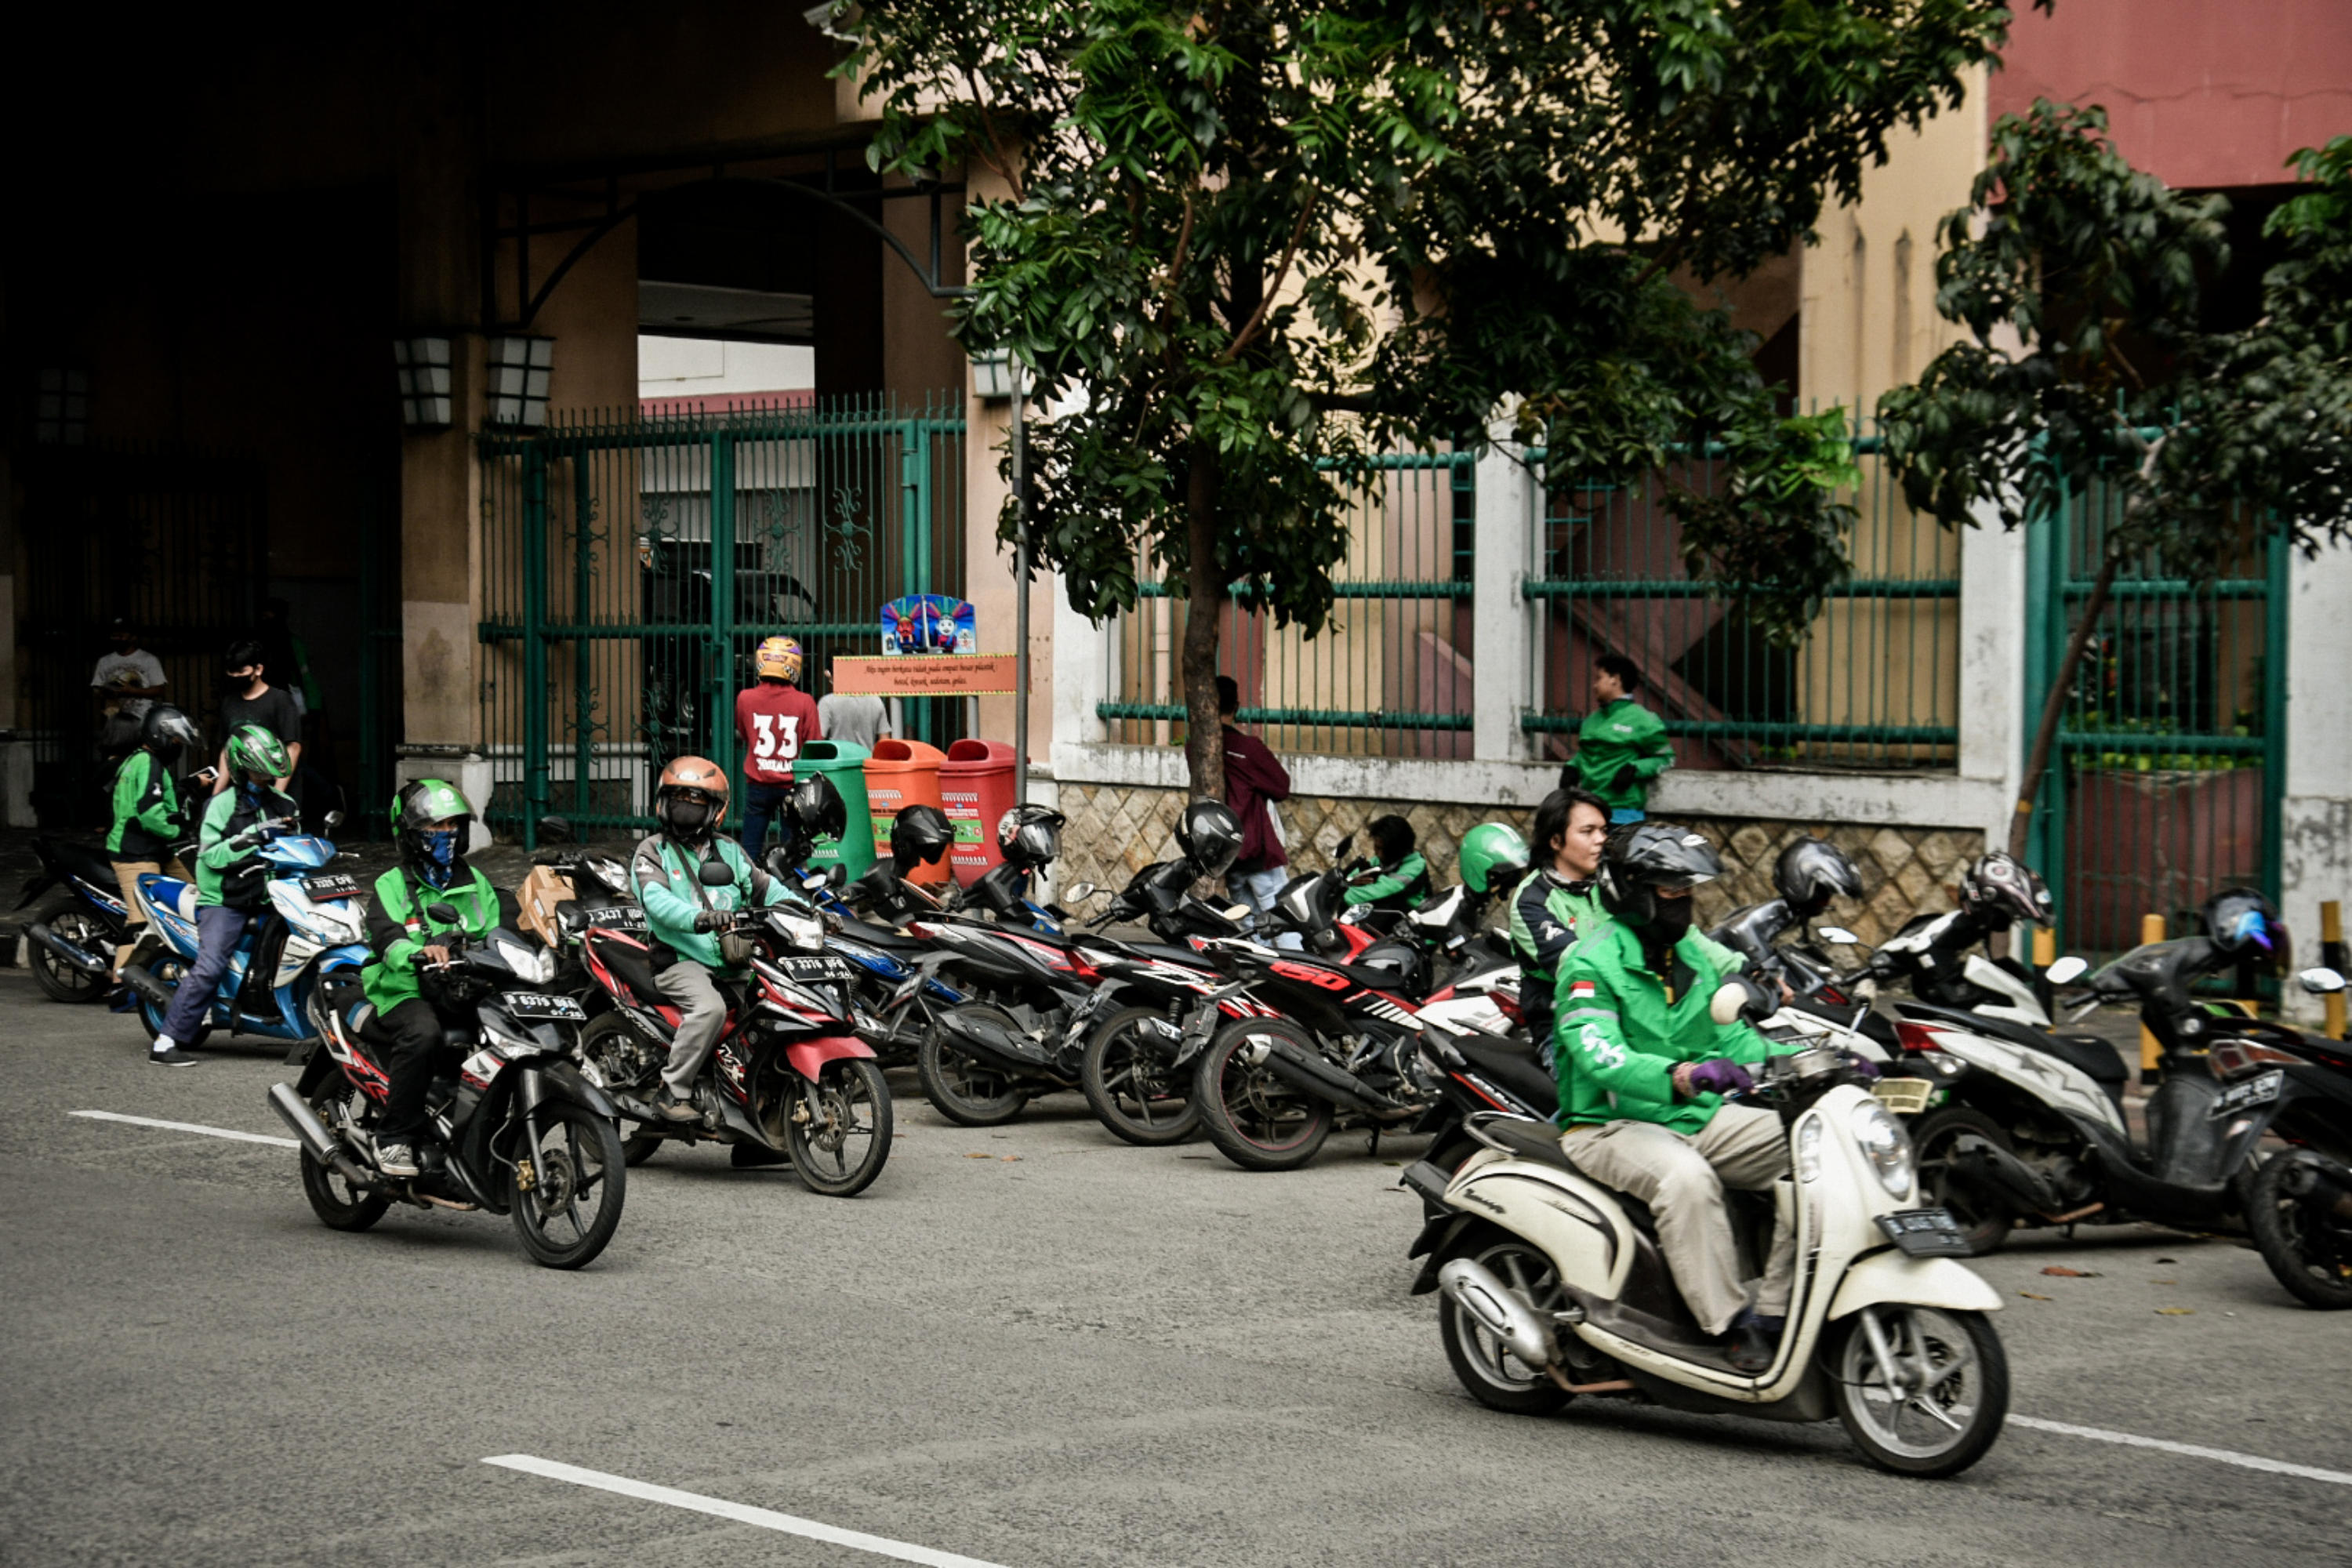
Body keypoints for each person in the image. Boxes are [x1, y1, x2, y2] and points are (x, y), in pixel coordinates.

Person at [1551, 823, 1806, 1372]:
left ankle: (1778, 1312)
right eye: (1671, 892)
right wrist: (1685, 1075)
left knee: (1813, 1143)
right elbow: (1600, 1056)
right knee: (1685, 1179)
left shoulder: (1689, 948)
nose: (1683, 904)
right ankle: (1729, 1327)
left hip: (1693, 1116)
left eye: (1688, 893)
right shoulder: (1588, 963)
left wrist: (1799, 1063)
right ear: (1632, 891)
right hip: (1607, 1127)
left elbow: (1734, 1018)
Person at [358, 779, 517, 1179]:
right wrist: (416, 952)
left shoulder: (476, 882)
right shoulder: (392, 883)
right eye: (436, 826)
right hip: (404, 988)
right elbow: (384, 935)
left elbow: (501, 929)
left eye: (453, 825)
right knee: (423, 1035)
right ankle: (394, 1137)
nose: (447, 834)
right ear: (410, 835)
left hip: (462, 987)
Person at [630, 756, 788, 1121]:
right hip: (679, 961)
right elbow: (656, 901)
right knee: (710, 1009)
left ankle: (758, 1108)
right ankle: (673, 1091)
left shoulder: (730, 851)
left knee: (774, 1013)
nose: (686, 806)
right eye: (679, 798)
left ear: (715, 809)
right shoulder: (652, 851)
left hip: (735, 961)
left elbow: (767, 888)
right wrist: (699, 918)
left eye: (697, 800)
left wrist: (809, 910)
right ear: (663, 803)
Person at [149, 724, 299, 1066]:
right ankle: (166, 1040)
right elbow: (209, 857)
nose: (266, 776)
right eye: (260, 770)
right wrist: (249, 837)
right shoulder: (220, 806)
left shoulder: (285, 803)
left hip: (272, 897)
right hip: (223, 901)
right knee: (210, 966)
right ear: (243, 765)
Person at [104, 704, 201, 996]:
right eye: (175, 740)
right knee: (141, 920)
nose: (177, 747)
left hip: (156, 848)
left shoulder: (142, 760)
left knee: (192, 896)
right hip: (135, 851)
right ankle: (122, 984)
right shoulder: (146, 763)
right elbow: (150, 814)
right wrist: (179, 832)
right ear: (160, 736)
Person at [1508, 787, 1612, 1054]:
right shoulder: (1532, 901)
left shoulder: (1612, 884)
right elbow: (1578, 965)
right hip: (1565, 1029)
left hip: (1624, 1016)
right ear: (1555, 840)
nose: (1601, 839)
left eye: (1603, 830)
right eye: (1588, 831)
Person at [1214, 676, 1292, 924]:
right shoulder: (1248, 748)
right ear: (1235, 707)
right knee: (1282, 920)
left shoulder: (1196, 747)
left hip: (1225, 853)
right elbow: (1281, 786)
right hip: (1255, 847)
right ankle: (1295, 964)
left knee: (1248, 923)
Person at [735, 635, 822, 857]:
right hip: (791, 784)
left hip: (758, 783)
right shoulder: (805, 701)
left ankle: (748, 886)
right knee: (790, 850)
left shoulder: (745, 697)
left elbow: (744, 733)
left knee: (750, 848)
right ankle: (786, 888)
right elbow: (814, 744)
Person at [1564, 652, 1672, 824]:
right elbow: (1585, 755)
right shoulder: (1591, 720)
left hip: (1624, 814)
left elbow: (1666, 758)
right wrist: (1572, 766)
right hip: (1589, 810)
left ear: (1615, 680)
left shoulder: (1644, 720)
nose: (1595, 685)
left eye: (1599, 678)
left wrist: (1635, 768)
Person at [213, 638, 302, 795]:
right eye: (231, 672)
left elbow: (293, 748)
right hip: (244, 796)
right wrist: (216, 794)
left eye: (241, 672)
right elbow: (227, 750)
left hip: (277, 792)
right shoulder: (229, 703)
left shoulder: (280, 700)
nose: (235, 676)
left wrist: (277, 794)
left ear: (258, 670)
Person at [91, 618, 169, 757]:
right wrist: (108, 692)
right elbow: (96, 688)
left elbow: (160, 689)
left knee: (140, 756)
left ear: (133, 637)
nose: (117, 638)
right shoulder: (105, 661)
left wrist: (133, 691)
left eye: (121, 635)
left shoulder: (148, 660)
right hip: (115, 723)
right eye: (114, 635)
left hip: (142, 721)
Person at [1343, 814, 1430, 913]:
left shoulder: (1414, 867)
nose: (1376, 853)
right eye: (1376, 846)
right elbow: (1350, 877)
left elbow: (1379, 892)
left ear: (1397, 850)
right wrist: (1352, 882)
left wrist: (1340, 896)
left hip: (1401, 921)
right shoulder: (1384, 860)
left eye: (1381, 849)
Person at [816, 657, 891, 753]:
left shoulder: (827, 702)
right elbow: (885, 743)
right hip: (866, 765)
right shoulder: (876, 701)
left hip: (839, 765)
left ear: (830, 674)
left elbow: (818, 740)